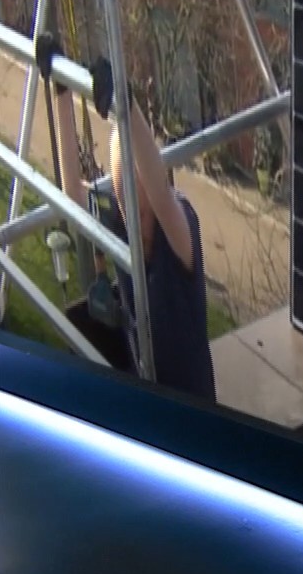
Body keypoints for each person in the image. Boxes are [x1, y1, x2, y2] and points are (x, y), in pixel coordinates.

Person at [37, 30, 218, 404]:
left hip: (193, 406)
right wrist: (61, 93)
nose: (126, 198)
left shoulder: (179, 228)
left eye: (134, 185)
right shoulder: (122, 226)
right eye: (120, 186)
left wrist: (127, 105)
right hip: (150, 395)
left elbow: (159, 192)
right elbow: (73, 193)